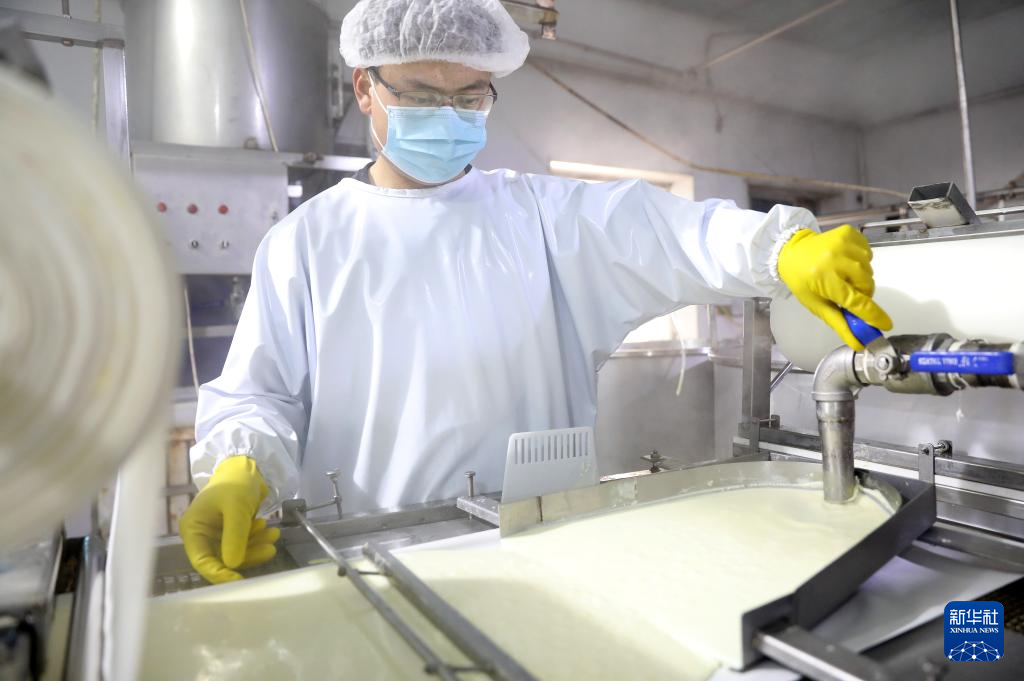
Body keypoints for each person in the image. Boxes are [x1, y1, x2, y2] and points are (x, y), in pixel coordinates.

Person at [180, 0, 892, 584]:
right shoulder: (305, 243)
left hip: (547, 552)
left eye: (469, 97)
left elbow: (670, 232)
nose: (448, 115)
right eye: (422, 96)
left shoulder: (542, 217)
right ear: (365, 87)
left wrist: (779, 249)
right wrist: (240, 465)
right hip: (368, 564)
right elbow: (259, 393)